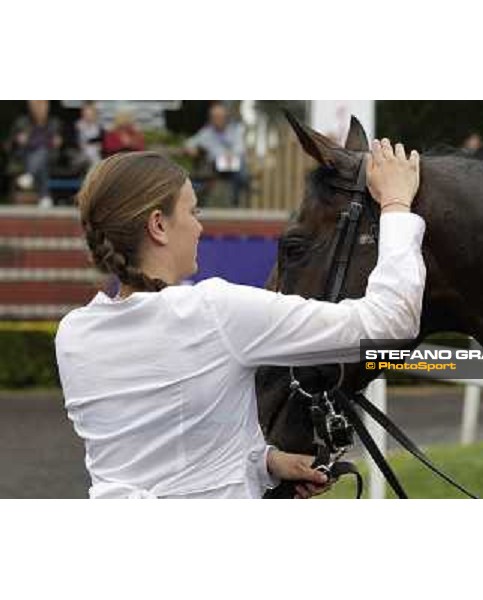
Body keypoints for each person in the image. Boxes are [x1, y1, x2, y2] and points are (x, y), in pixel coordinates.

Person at [55, 140, 425, 499]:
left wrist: (265, 463)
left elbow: (161, 456)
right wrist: (396, 203)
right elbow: (390, 321)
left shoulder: (73, 334)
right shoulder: (215, 312)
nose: (200, 227)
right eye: (193, 212)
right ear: (158, 225)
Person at [184, 101, 248, 206]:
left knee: (240, 170)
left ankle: (234, 203)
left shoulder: (235, 130)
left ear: (226, 117)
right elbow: (189, 143)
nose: (217, 120)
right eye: (214, 117)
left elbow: (240, 149)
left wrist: (230, 155)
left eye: (220, 117)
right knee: (197, 178)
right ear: (211, 118)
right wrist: (191, 148)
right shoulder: (206, 133)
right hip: (214, 165)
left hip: (232, 163)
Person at [8, 100, 62, 207]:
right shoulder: (22, 121)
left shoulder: (54, 122)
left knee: (42, 152)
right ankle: (45, 196)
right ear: (31, 107)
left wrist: (59, 141)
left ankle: (29, 175)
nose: (40, 109)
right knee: (41, 161)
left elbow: (58, 142)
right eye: (36, 106)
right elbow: (12, 143)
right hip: (26, 155)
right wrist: (18, 140)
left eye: (43, 106)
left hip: (49, 155)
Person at [74, 101, 103, 170]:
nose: (89, 115)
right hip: (81, 153)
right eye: (86, 112)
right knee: (90, 152)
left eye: (91, 113)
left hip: (96, 153)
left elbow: (101, 141)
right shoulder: (78, 126)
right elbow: (76, 142)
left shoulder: (99, 126)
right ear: (83, 113)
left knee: (93, 153)